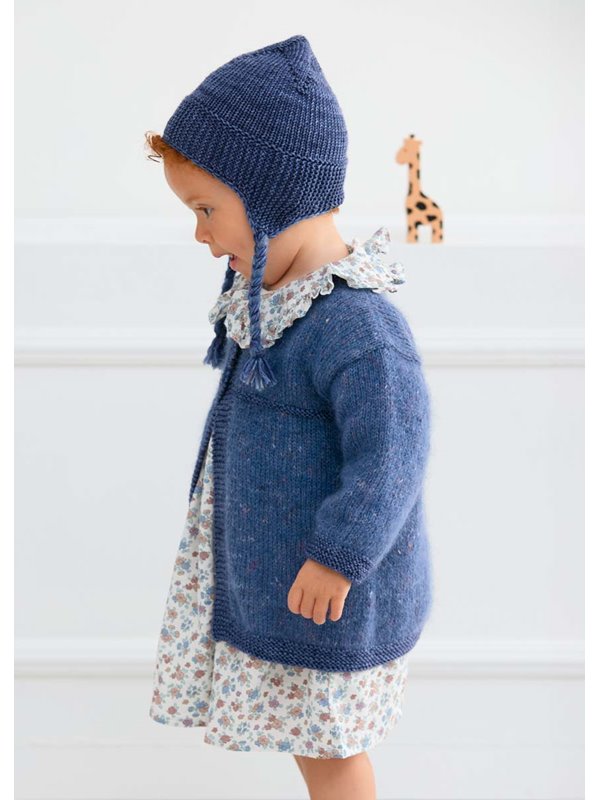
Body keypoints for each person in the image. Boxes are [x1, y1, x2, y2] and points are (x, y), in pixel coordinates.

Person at [146, 34, 434, 800]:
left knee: (331, 753)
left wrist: (340, 554)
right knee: (313, 751)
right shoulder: (277, 305)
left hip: (330, 594)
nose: (201, 235)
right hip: (284, 586)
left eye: (207, 209)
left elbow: (395, 452)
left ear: (272, 194)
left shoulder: (355, 325)